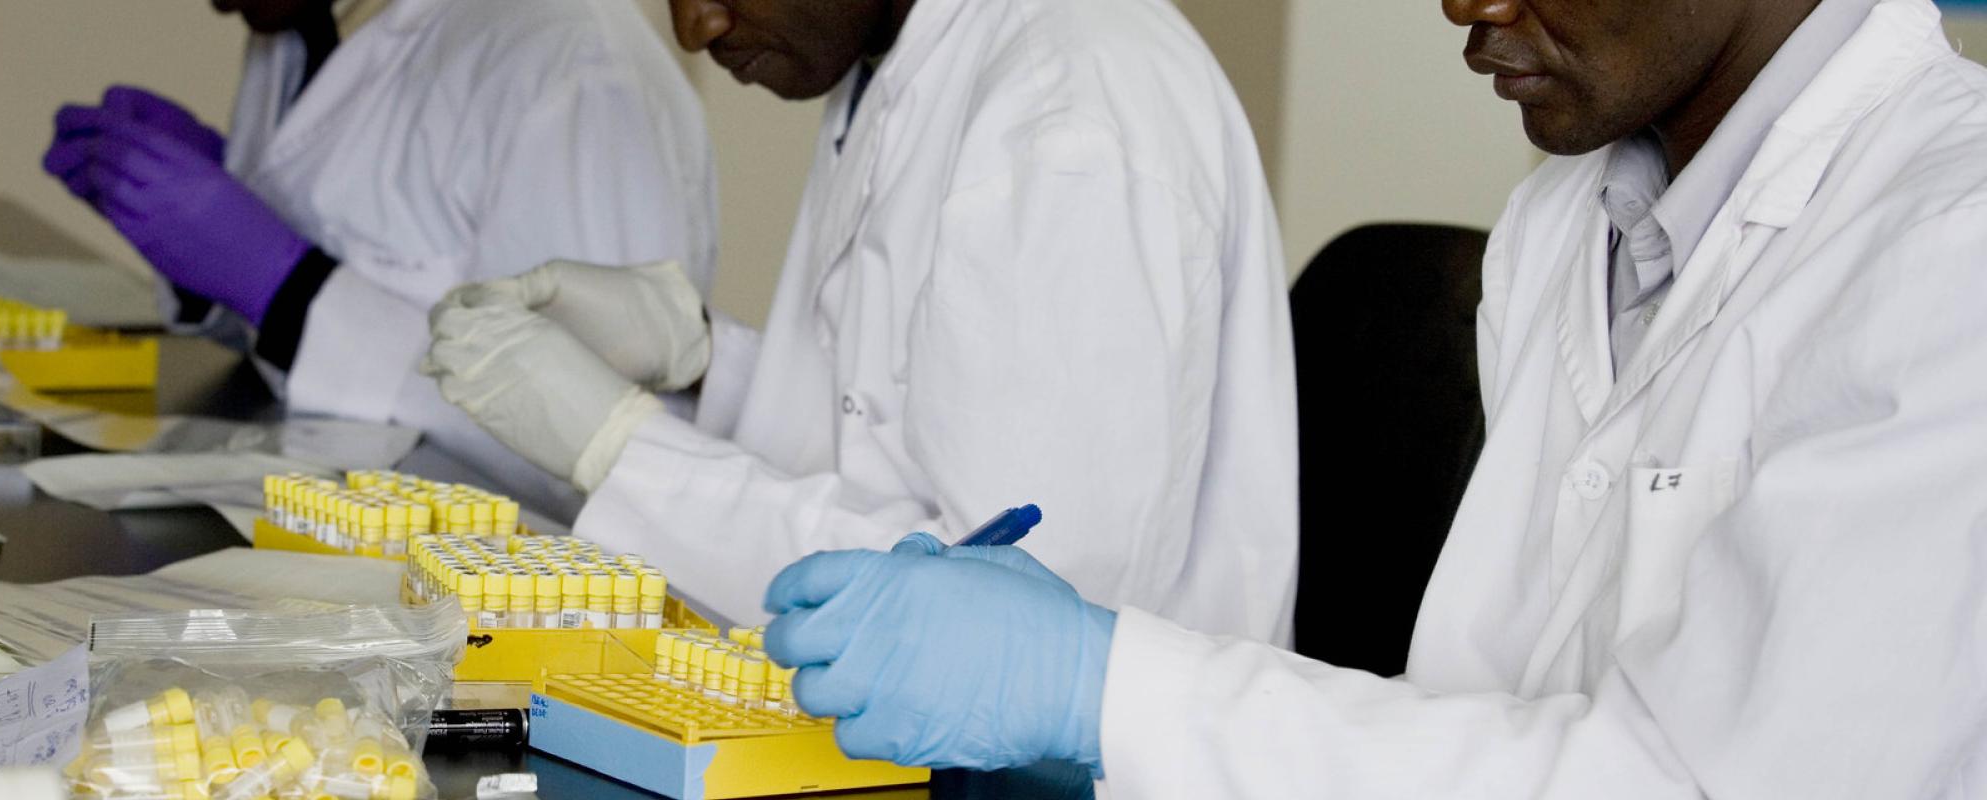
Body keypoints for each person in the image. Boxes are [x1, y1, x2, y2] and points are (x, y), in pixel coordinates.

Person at [756, 0, 1987, 790]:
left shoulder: (1951, 245)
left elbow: (1682, 782)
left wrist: (1104, 682)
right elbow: (1475, 716)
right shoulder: (1565, 222)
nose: (1466, 7)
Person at [421, 0, 1300, 631]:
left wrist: (623, 449)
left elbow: (1010, 611)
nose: (696, 25)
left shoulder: (1069, 118)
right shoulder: (901, 59)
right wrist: (708, 362)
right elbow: (895, 429)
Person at [42, 0, 717, 519]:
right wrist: (200, 255)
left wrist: (287, 290)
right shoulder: (301, 24)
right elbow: (290, 338)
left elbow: (595, 458)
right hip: (321, 524)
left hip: (494, 606)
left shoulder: (575, 62)